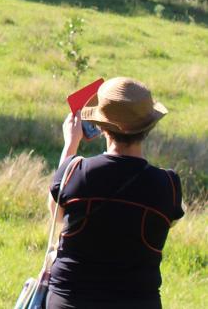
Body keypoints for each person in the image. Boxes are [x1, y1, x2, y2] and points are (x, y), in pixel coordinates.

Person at [47, 77, 185, 309]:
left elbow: (57, 215)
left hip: (70, 301)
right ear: (148, 128)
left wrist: (70, 144)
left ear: (101, 127)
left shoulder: (75, 172)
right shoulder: (168, 185)